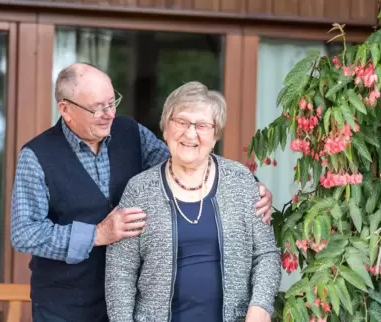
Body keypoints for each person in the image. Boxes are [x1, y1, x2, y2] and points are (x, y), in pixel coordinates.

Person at [10, 63, 274, 322]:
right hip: (64, 306)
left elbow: (184, 161)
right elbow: (25, 233)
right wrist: (97, 234)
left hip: (130, 301)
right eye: (97, 108)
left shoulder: (129, 132)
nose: (109, 114)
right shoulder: (37, 156)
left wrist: (252, 186)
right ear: (65, 110)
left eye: (112, 103)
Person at [105, 81, 281, 322]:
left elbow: (266, 254)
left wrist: (260, 305)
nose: (190, 133)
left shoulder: (241, 181)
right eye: (181, 122)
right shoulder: (140, 190)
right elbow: (120, 271)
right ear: (165, 129)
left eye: (202, 125)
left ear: (215, 134)